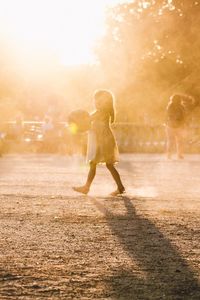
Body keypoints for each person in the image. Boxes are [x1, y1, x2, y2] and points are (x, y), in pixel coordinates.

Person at [73, 89, 125, 196]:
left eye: (98, 101)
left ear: (104, 102)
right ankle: (120, 187)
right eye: (95, 101)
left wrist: (75, 120)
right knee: (107, 165)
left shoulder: (101, 112)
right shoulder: (102, 111)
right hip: (103, 140)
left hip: (104, 141)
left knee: (96, 163)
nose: (95, 103)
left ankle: (86, 188)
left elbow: (87, 120)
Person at [165, 94, 187, 159]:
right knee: (179, 141)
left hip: (171, 125)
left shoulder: (170, 106)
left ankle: (170, 155)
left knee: (172, 141)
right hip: (176, 125)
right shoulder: (179, 107)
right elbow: (184, 116)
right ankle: (178, 155)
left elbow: (168, 116)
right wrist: (183, 123)